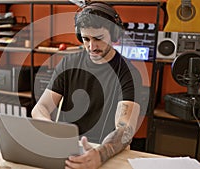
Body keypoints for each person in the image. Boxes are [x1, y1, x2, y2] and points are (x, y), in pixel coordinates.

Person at [32, 1, 143, 168]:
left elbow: (125, 129)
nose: (92, 46)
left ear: (114, 34)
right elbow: (40, 108)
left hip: (105, 154)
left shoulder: (129, 73)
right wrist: (49, 127)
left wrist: (100, 154)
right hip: (66, 151)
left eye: (98, 38)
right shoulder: (68, 64)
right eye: (86, 39)